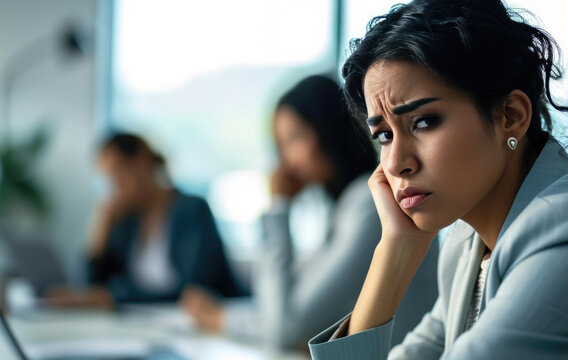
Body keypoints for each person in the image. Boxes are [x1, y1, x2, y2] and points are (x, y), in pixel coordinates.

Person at [308, 1, 568, 359]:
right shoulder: (467, 242)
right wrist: (394, 250)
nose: (396, 163)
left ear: (510, 117)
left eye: (423, 122)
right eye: (385, 135)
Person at [181, 75, 440, 350]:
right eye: (281, 146)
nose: (287, 162)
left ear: (327, 130)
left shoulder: (370, 206)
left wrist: (279, 209)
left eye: (294, 138)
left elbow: (286, 329)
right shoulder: (345, 208)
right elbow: (283, 313)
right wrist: (226, 318)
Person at [47, 133, 246, 307]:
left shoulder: (192, 210)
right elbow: (90, 289)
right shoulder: (127, 221)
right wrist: (100, 230)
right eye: (109, 180)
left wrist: (115, 298)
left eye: (119, 174)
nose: (116, 187)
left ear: (143, 161)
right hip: (146, 326)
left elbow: (193, 291)